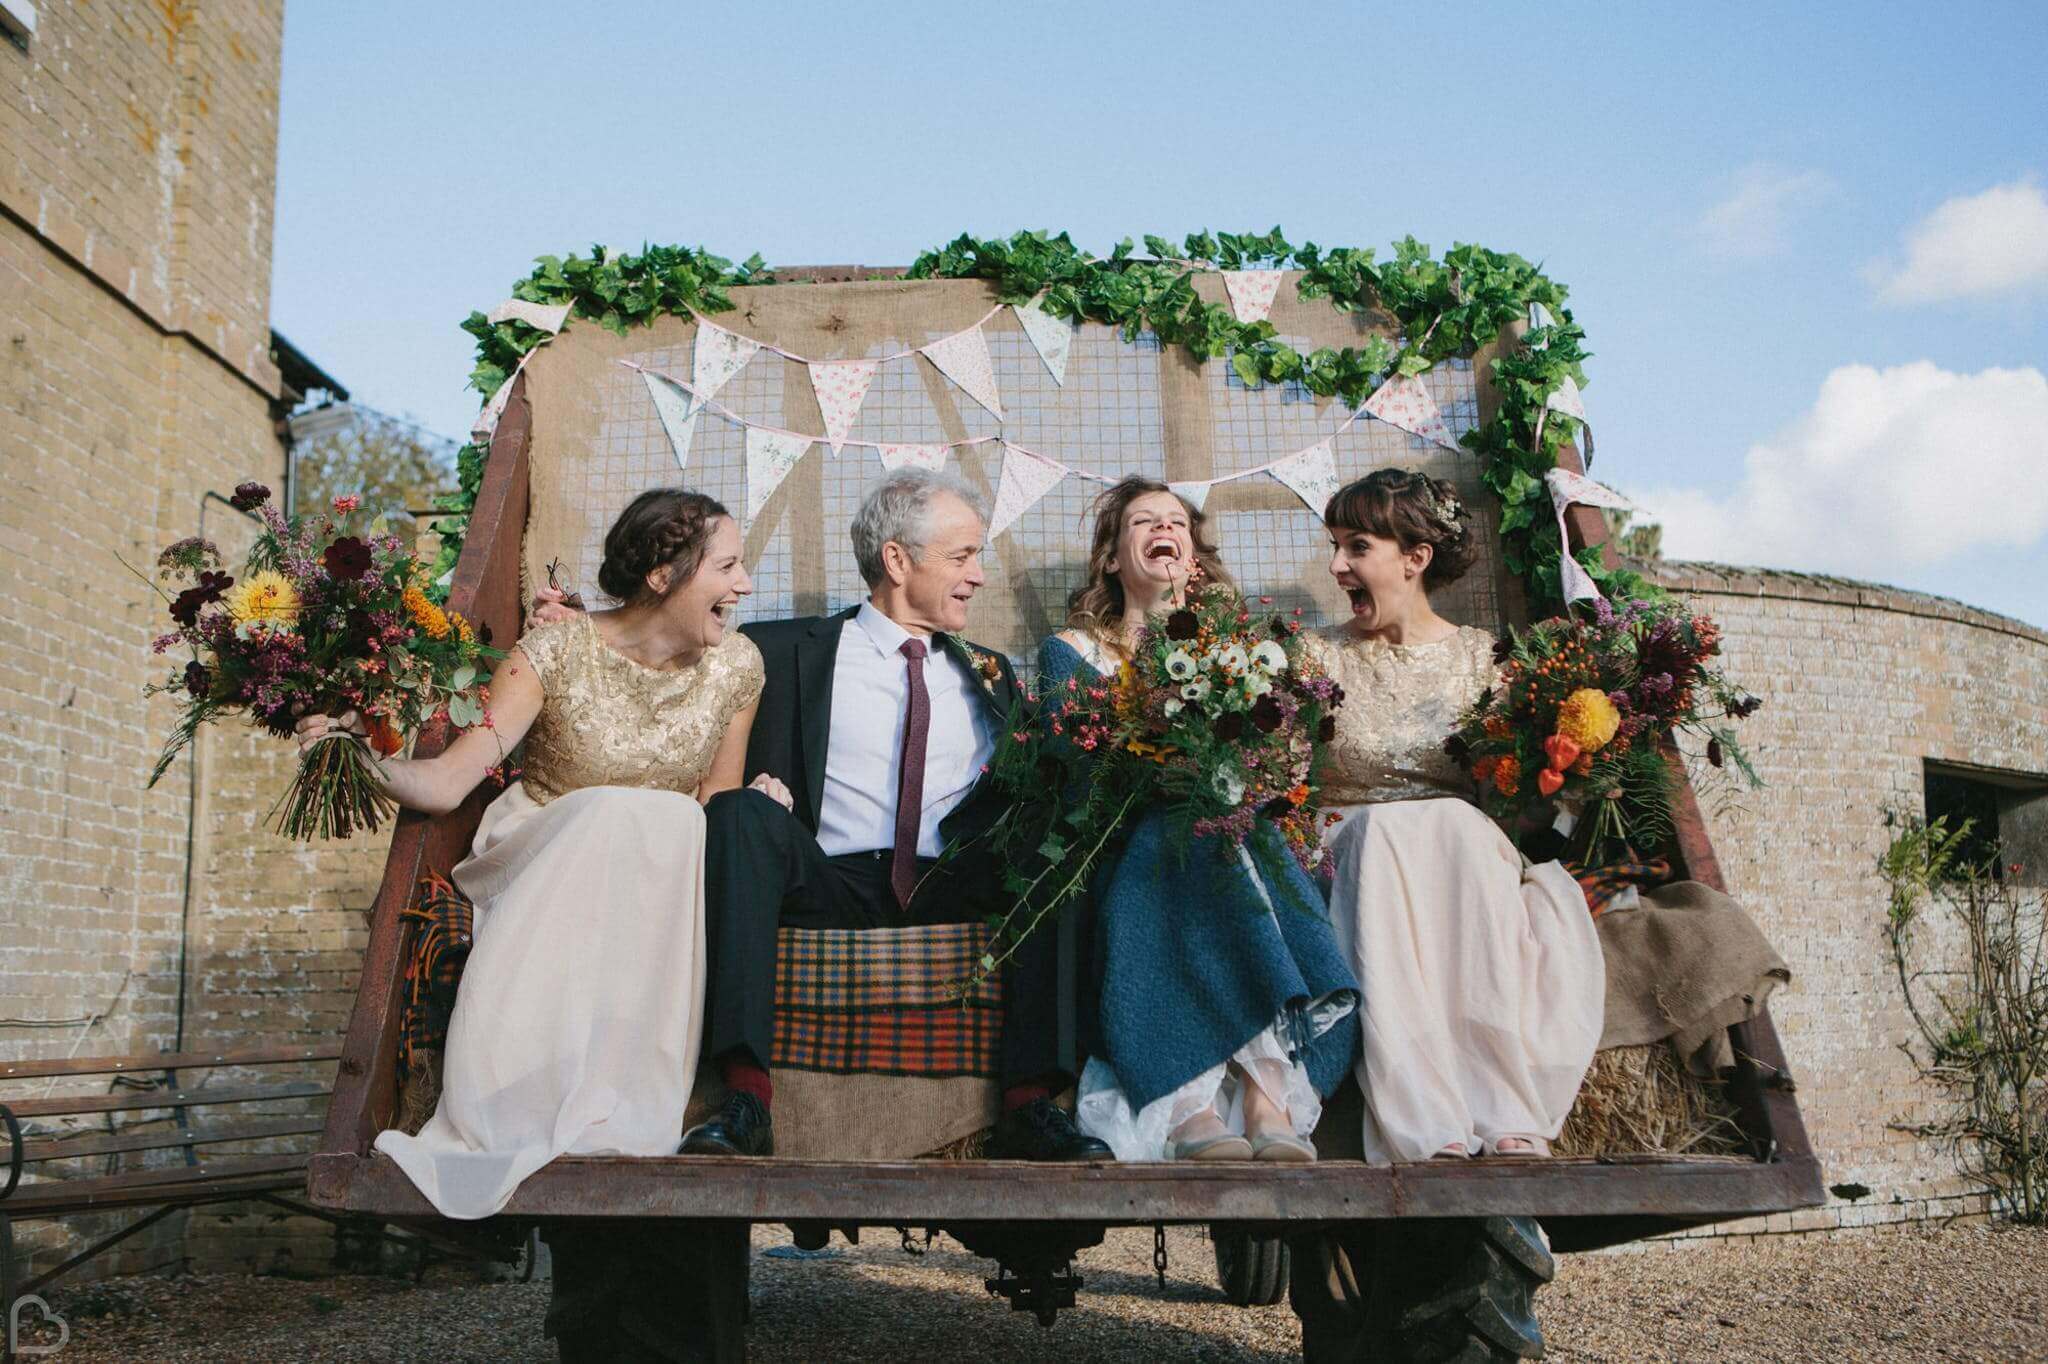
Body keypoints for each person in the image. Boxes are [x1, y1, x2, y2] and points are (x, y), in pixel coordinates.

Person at [537, 469, 1108, 1162]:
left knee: (1055, 833)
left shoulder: (993, 673)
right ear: (897, 560)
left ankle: (1031, 1109)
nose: (979, 575)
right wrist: (581, 632)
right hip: (823, 875)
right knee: (742, 814)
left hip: (955, 878)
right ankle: (744, 1100)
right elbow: (662, 659)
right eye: (961, 557)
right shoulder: (776, 653)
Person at [296, 489, 786, 1219]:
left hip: (655, 874)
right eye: (728, 566)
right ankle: (515, 1096)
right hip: (544, 846)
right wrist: (356, 756)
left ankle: (621, 1099)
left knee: (671, 820)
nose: (744, 584)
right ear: (662, 576)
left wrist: (760, 811)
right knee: (631, 811)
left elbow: (716, 802)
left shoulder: (737, 668)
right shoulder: (555, 650)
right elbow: (449, 779)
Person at [1038, 477, 1359, 1163]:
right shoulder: (1070, 651)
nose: (1165, 529)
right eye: (1143, 522)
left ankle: (1265, 1100)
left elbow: (1271, 762)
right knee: (1186, 829)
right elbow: (1075, 763)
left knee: (1219, 824)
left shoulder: (1238, 651)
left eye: (1178, 522)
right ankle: (1190, 1106)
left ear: (1194, 556)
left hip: (1226, 836)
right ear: (1111, 559)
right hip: (1124, 846)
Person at [1307, 469, 1605, 1163]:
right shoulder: (1316, 657)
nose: (1335, 566)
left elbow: (1518, 800)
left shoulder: (1486, 661)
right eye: (1334, 546)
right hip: (1350, 847)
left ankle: (1501, 1107)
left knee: (1461, 826)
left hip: (1451, 864)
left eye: (1356, 547)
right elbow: (1284, 782)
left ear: (1415, 559)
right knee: (1392, 832)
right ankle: (1424, 1116)